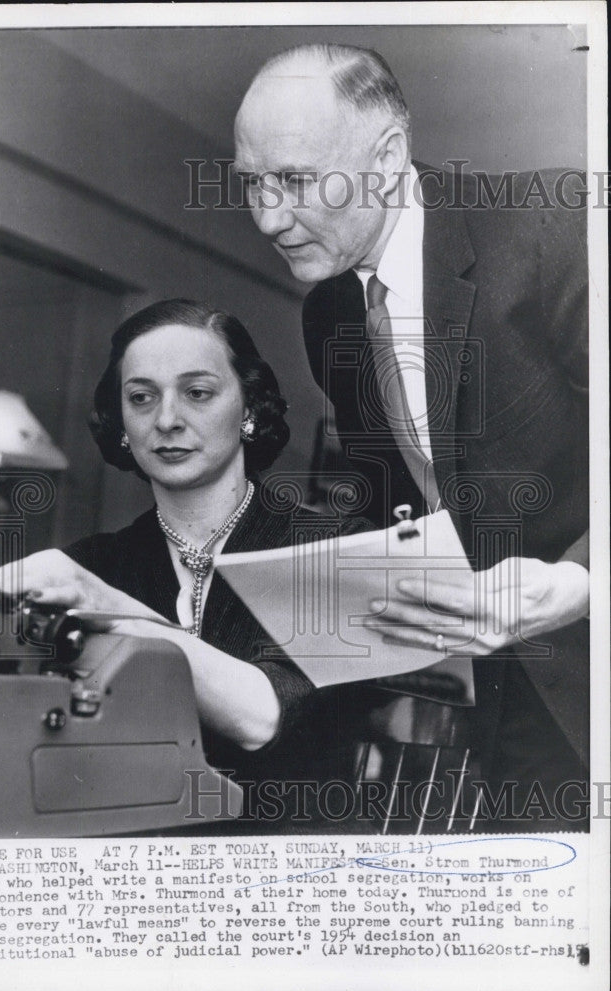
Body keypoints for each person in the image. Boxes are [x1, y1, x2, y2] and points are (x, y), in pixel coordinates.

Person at [233, 43, 589, 826]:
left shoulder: (547, 229)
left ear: (387, 156)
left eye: (292, 180)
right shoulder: (327, 314)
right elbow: (401, 509)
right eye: (251, 183)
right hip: (516, 700)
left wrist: (580, 579)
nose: (266, 216)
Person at [0, 299, 372, 800]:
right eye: (141, 397)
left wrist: (104, 605)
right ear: (120, 424)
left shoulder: (335, 548)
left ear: (249, 408)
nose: (166, 419)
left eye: (197, 392)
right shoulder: (97, 563)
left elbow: (262, 717)